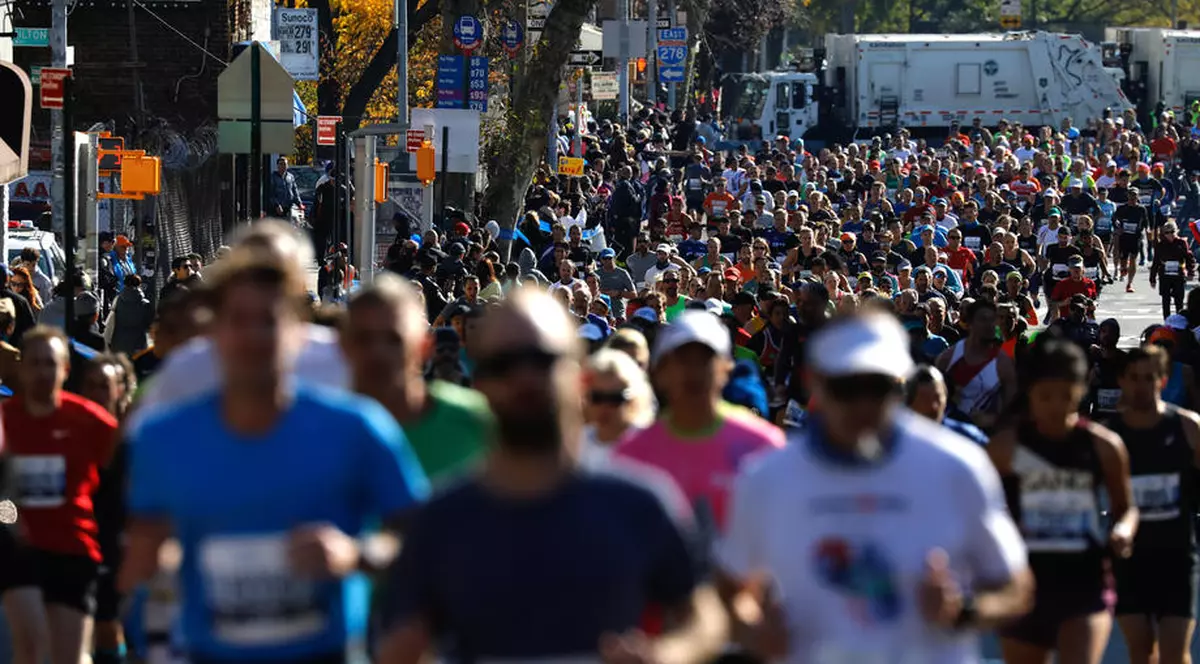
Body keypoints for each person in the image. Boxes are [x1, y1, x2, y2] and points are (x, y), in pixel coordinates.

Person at [375, 290, 725, 664]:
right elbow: (402, 636)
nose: (524, 377)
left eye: (541, 361)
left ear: (579, 376)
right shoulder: (440, 522)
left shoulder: (638, 504)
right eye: (503, 364)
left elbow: (703, 617)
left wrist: (666, 655)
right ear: (480, 383)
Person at [119, 246, 430, 664]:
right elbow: (141, 556)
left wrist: (355, 555)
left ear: (298, 331)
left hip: (326, 654)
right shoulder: (163, 438)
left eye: (269, 321)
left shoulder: (355, 427)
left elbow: (420, 534)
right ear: (215, 332)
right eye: (238, 320)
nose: (254, 337)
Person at [715, 313, 1032, 662]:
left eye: (877, 388)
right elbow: (726, 590)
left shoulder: (957, 466)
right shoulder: (767, 478)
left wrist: (964, 610)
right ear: (814, 382)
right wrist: (756, 631)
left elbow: (1016, 586)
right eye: (847, 387)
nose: (863, 404)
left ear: (900, 383)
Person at [988, 339, 1137, 664]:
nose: (1056, 407)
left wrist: (1123, 530)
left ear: (1081, 390)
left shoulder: (1104, 446)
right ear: (1030, 394)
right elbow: (982, 512)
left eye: (1066, 396)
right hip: (1023, 585)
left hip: (1084, 582)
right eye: (1045, 397)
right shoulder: (1004, 449)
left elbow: (1126, 508)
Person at [129, 220, 348, 427]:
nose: (260, 289)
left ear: (298, 285)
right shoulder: (187, 369)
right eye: (250, 273)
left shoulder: (338, 361)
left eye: (274, 276)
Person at [0, 326, 120, 664]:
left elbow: (129, 474)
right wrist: (9, 518)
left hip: (73, 548)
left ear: (65, 370)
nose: (42, 372)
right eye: (35, 363)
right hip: (19, 552)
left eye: (50, 364)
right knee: (32, 646)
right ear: (22, 368)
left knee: (70, 656)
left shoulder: (88, 421)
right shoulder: (5, 421)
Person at [340, 273, 493, 485]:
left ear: (424, 347)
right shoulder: (323, 432)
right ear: (343, 346)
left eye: (394, 340)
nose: (377, 352)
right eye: (363, 339)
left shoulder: (476, 421)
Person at [1104, 345, 1200, 664]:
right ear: (1122, 381)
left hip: (1176, 556)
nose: (1141, 385)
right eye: (1134, 378)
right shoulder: (1108, 436)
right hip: (1129, 560)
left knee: (1174, 654)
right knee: (1141, 652)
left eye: (1149, 378)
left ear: (1162, 380)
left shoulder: (1188, 427)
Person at [579, 348, 654, 468]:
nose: (605, 406)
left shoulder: (648, 442)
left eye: (615, 398)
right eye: (597, 397)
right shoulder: (574, 444)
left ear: (634, 399)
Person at [904, 364, 989, 446]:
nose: (934, 406)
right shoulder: (896, 436)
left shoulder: (967, 437)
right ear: (910, 402)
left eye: (937, 397)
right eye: (925, 399)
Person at [1150, 221, 1196, 319]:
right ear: (1164, 234)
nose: (1170, 235)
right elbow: (1156, 262)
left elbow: (1189, 258)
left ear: (1176, 232)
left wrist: (1191, 272)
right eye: (1167, 233)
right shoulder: (1160, 245)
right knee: (1165, 300)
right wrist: (1152, 279)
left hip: (1178, 275)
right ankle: (1167, 321)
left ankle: (1180, 321)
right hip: (1165, 275)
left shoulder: (1182, 243)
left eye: (1172, 232)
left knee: (1179, 300)